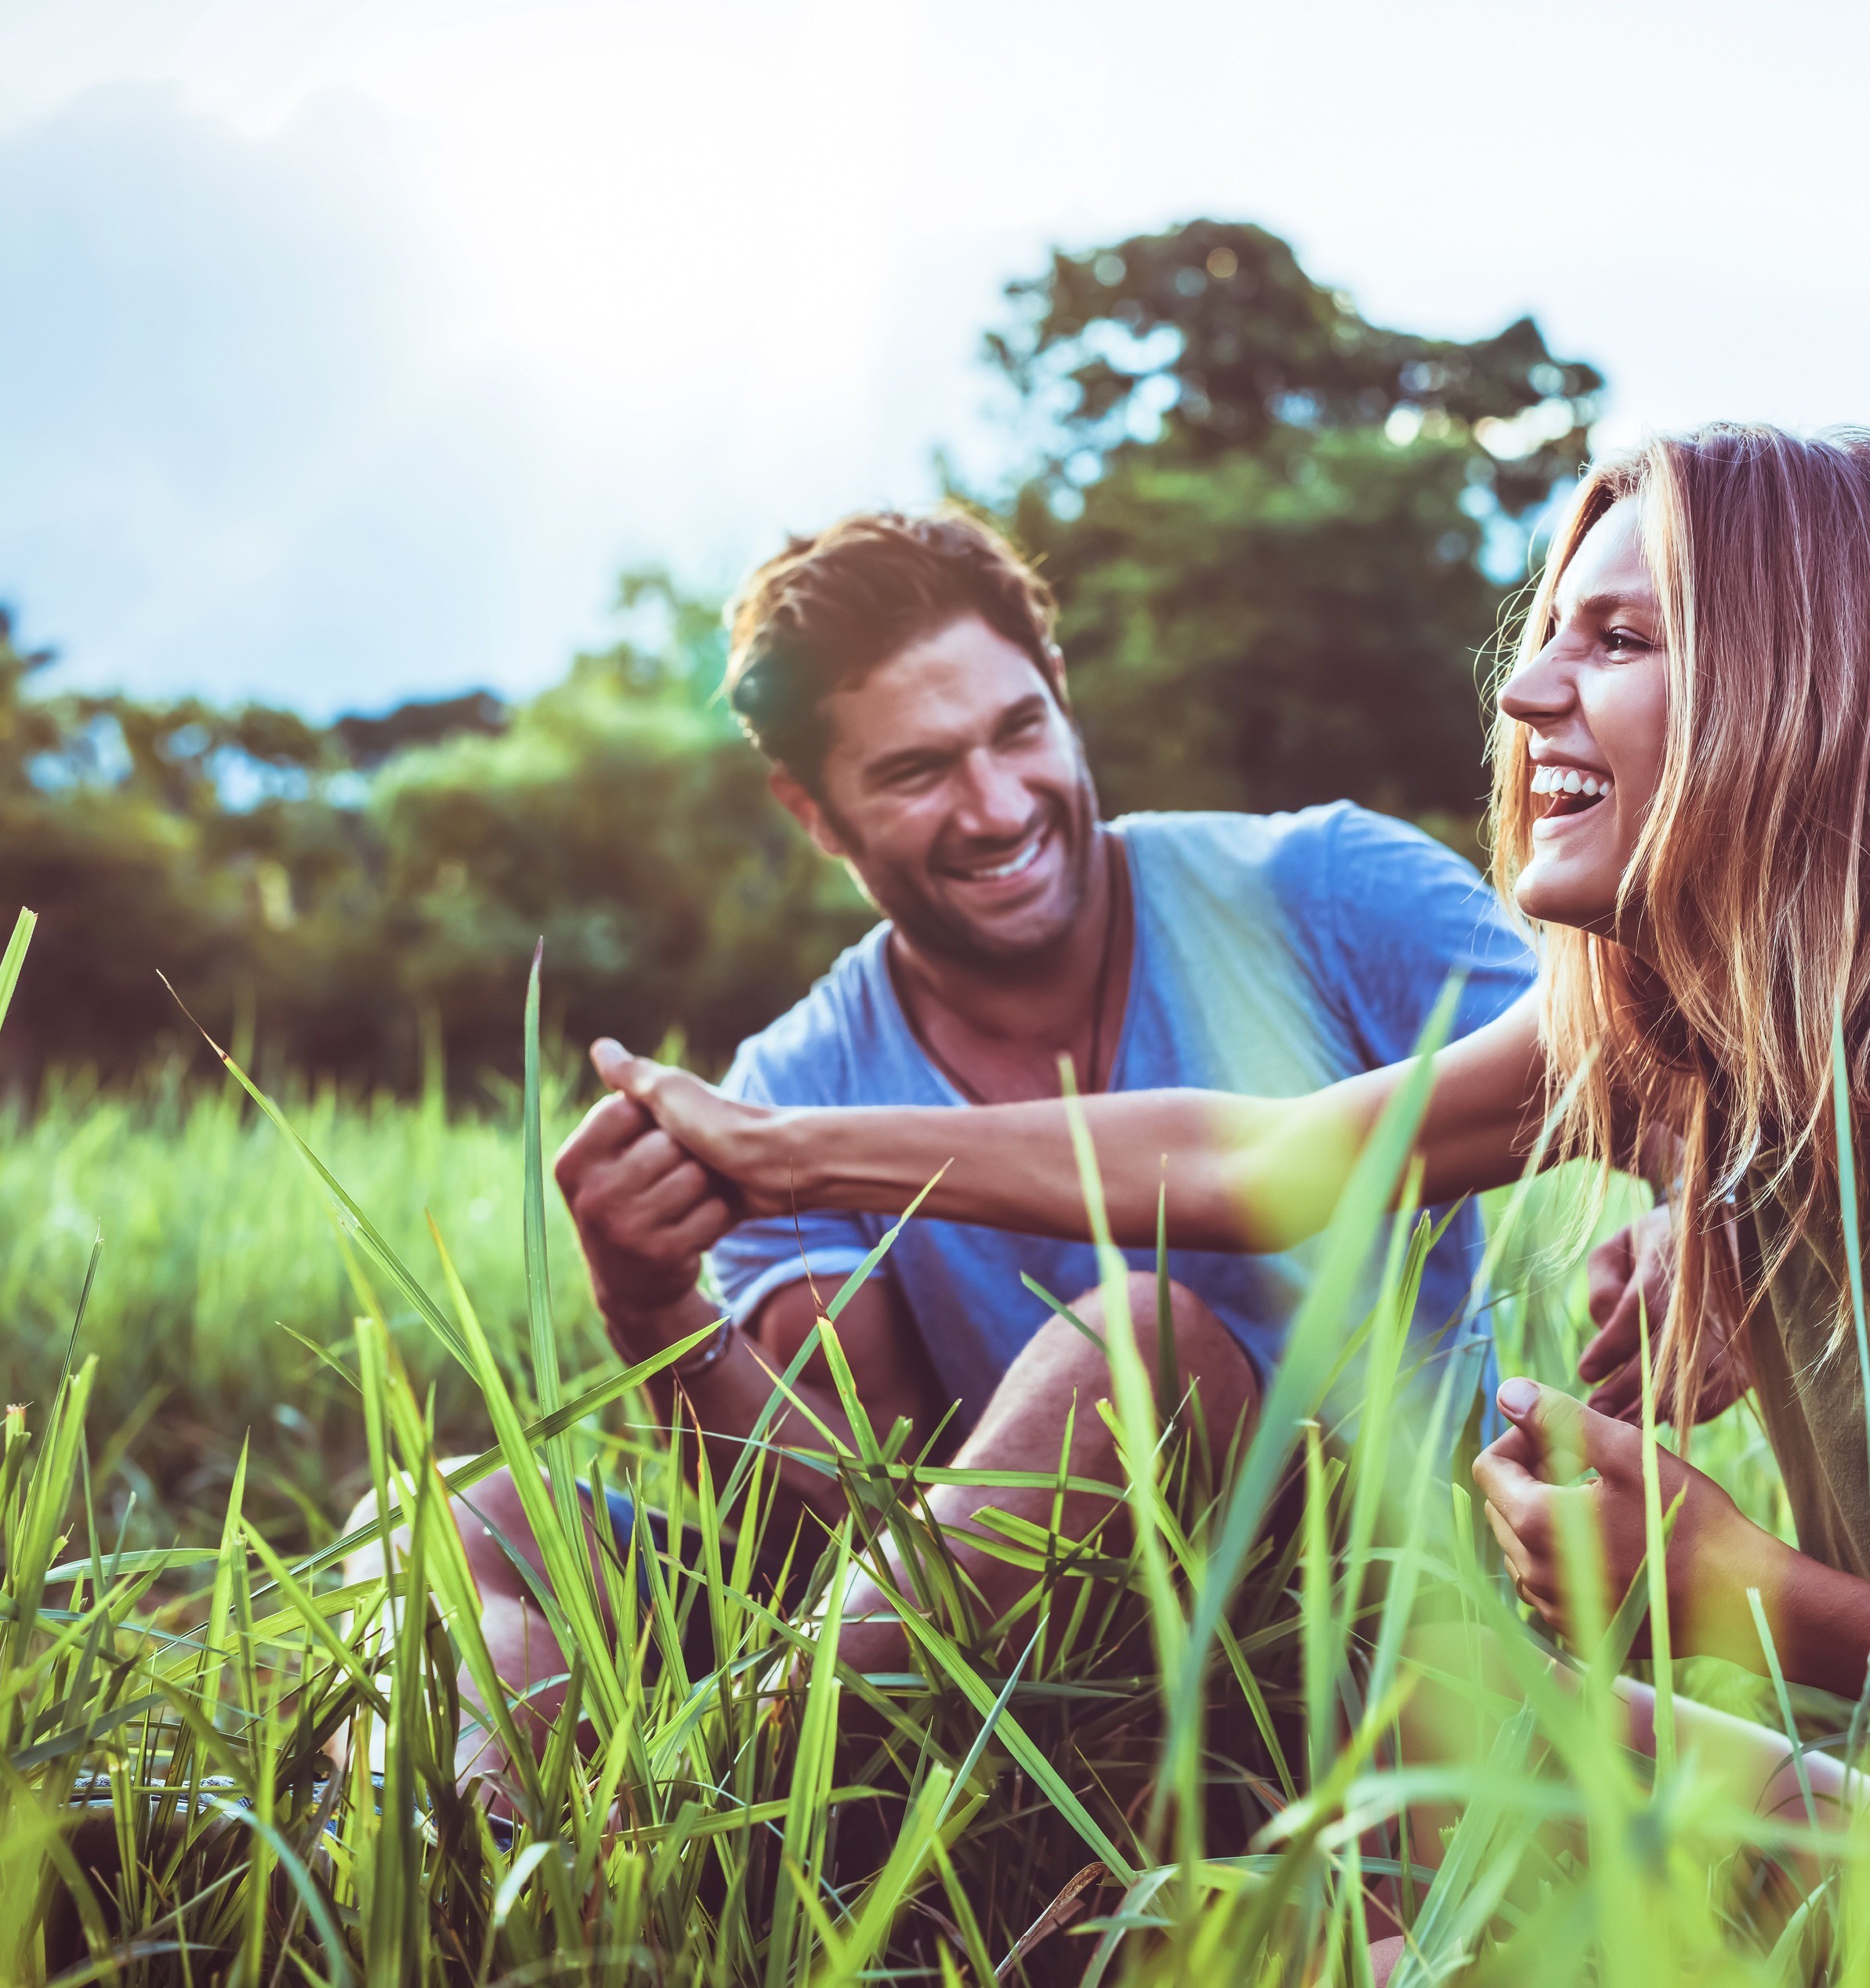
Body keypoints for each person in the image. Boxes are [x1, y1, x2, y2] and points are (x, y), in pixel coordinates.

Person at [600, 426, 1870, 1937]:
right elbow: (1251, 1160)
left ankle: (706, 1873)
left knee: (1425, 1798)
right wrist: (772, 1150)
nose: (1524, 700)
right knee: (1387, 1749)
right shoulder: (1696, 1040)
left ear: (1805, 694)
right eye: (1547, 637)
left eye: (1617, 642)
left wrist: (1748, 1590)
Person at [360, 508, 1531, 1788]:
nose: (996, 806)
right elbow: (842, 1510)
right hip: (986, 1656)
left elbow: (1642, 1075)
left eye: (1019, 731)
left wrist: (1677, 1216)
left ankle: (693, 1810)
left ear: (1062, 695)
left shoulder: (1331, 890)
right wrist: (649, 1309)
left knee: (1142, 1346)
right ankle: (461, 1850)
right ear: (814, 813)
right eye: (917, 772)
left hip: (1345, 1627)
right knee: (447, 1517)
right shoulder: (793, 1078)